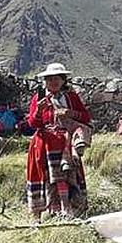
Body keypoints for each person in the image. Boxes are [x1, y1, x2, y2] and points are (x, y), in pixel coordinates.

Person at [25, 62, 93, 218]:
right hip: (44, 144)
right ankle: (43, 212)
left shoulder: (71, 98)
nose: (53, 82)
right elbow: (33, 124)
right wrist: (39, 111)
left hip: (65, 144)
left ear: (63, 80)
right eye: (50, 79)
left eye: (57, 78)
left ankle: (68, 208)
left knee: (66, 176)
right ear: (45, 81)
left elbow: (85, 117)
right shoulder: (39, 99)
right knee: (45, 176)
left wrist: (70, 113)